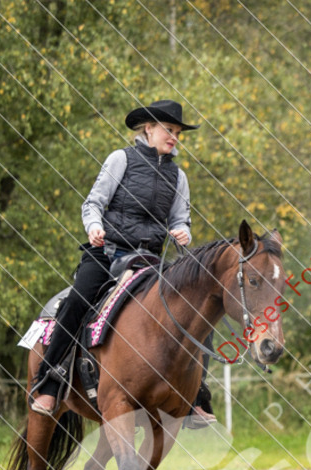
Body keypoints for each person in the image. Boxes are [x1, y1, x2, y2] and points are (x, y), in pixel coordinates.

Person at [31, 99, 216, 427]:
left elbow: (181, 219)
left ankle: (196, 395)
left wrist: (182, 232)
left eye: (177, 132)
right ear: (149, 129)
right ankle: (50, 382)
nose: (174, 137)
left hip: (151, 263)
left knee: (199, 307)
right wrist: (94, 227)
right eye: (168, 130)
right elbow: (93, 203)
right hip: (108, 253)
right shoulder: (121, 159)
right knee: (77, 301)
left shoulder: (178, 176)